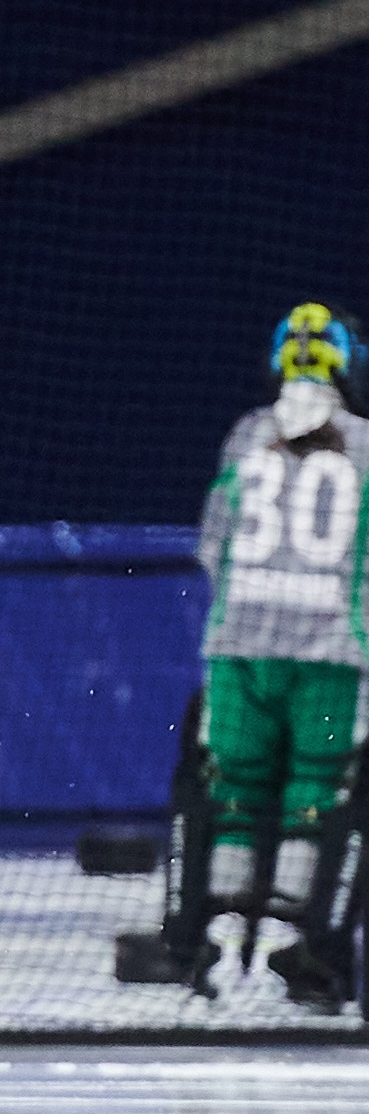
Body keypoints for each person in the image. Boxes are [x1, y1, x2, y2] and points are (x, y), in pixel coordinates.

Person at [120, 302, 369, 1011]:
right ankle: (293, 950)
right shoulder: (365, 446)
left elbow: (211, 545)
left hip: (237, 653)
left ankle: (228, 954)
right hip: (331, 657)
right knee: (315, 797)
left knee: (231, 793)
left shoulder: (245, 437)